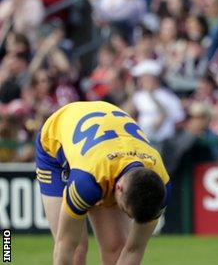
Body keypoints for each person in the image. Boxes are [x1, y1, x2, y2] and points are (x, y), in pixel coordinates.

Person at [35, 101, 171, 265]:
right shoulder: (87, 181)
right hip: (56, 141)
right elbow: (65, 247)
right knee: (77, 249)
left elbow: (134, 249)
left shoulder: (160, 188)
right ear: (119, 188)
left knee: (116, 247)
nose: (128, 218)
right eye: (124, 210)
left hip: (105, 143)